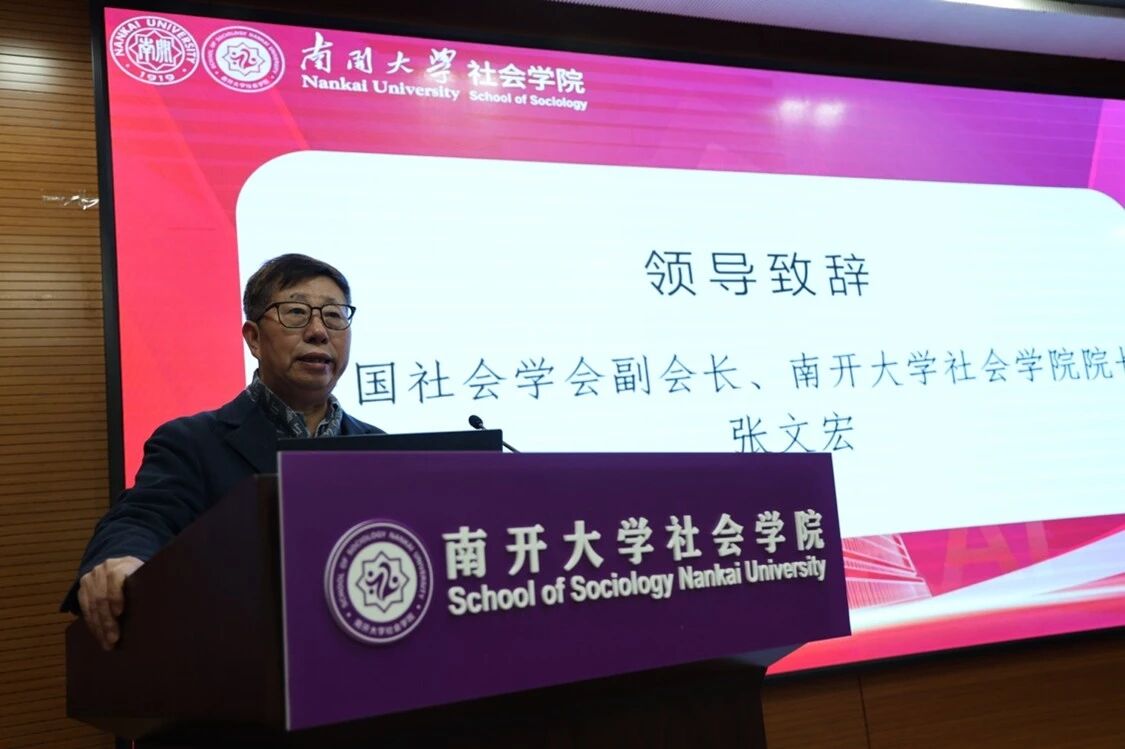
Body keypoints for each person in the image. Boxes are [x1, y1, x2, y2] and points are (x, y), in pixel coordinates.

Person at [63, 254, 383, 650]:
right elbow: (143, 517)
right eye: (296, 313)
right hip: (247, 658)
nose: (318, 331)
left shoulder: (379, 447)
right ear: (253, 338)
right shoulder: (191, 442)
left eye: (334, 316)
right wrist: (124, 559)